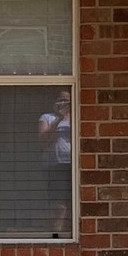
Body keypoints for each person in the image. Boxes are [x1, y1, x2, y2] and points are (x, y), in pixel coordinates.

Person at [39, 89, 72, 235]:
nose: (64, 103)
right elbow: (44, 141)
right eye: (61, 100)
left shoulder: (76, 118)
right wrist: (60, 118)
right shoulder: (47, 118)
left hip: (73, 165)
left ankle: (71, 233)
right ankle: (55, 235)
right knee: (58, 204)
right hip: (54, 164)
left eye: (67, 100)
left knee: (72, 202)